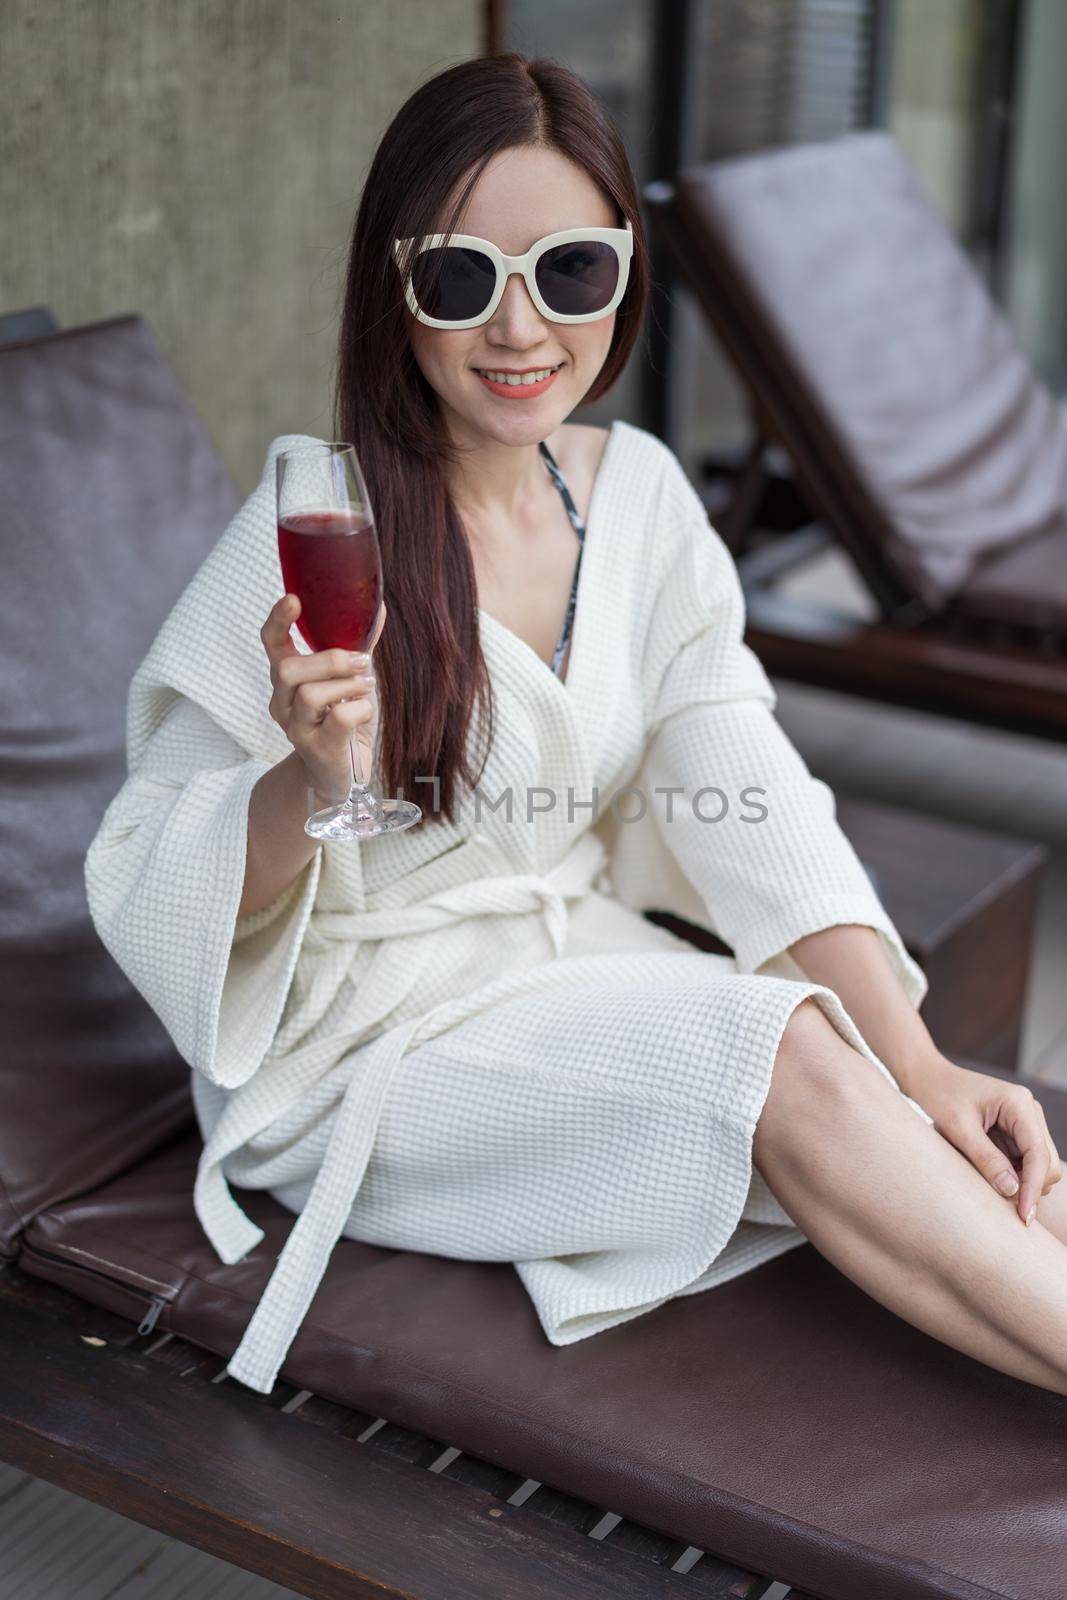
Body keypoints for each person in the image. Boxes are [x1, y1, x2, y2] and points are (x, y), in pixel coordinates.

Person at [85, 52, 1067, 1400]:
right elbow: (151, 867)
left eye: (569, 272)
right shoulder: (313, 532)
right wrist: (308, 781)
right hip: (359, 1046)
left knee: (876, 1078)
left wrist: (924, 1060)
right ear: (396, 290)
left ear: (624, 273)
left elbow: (754, 799)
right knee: (779, 1052)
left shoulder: (644, 499)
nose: (520, 330)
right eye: (459, 278)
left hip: (564, 971)